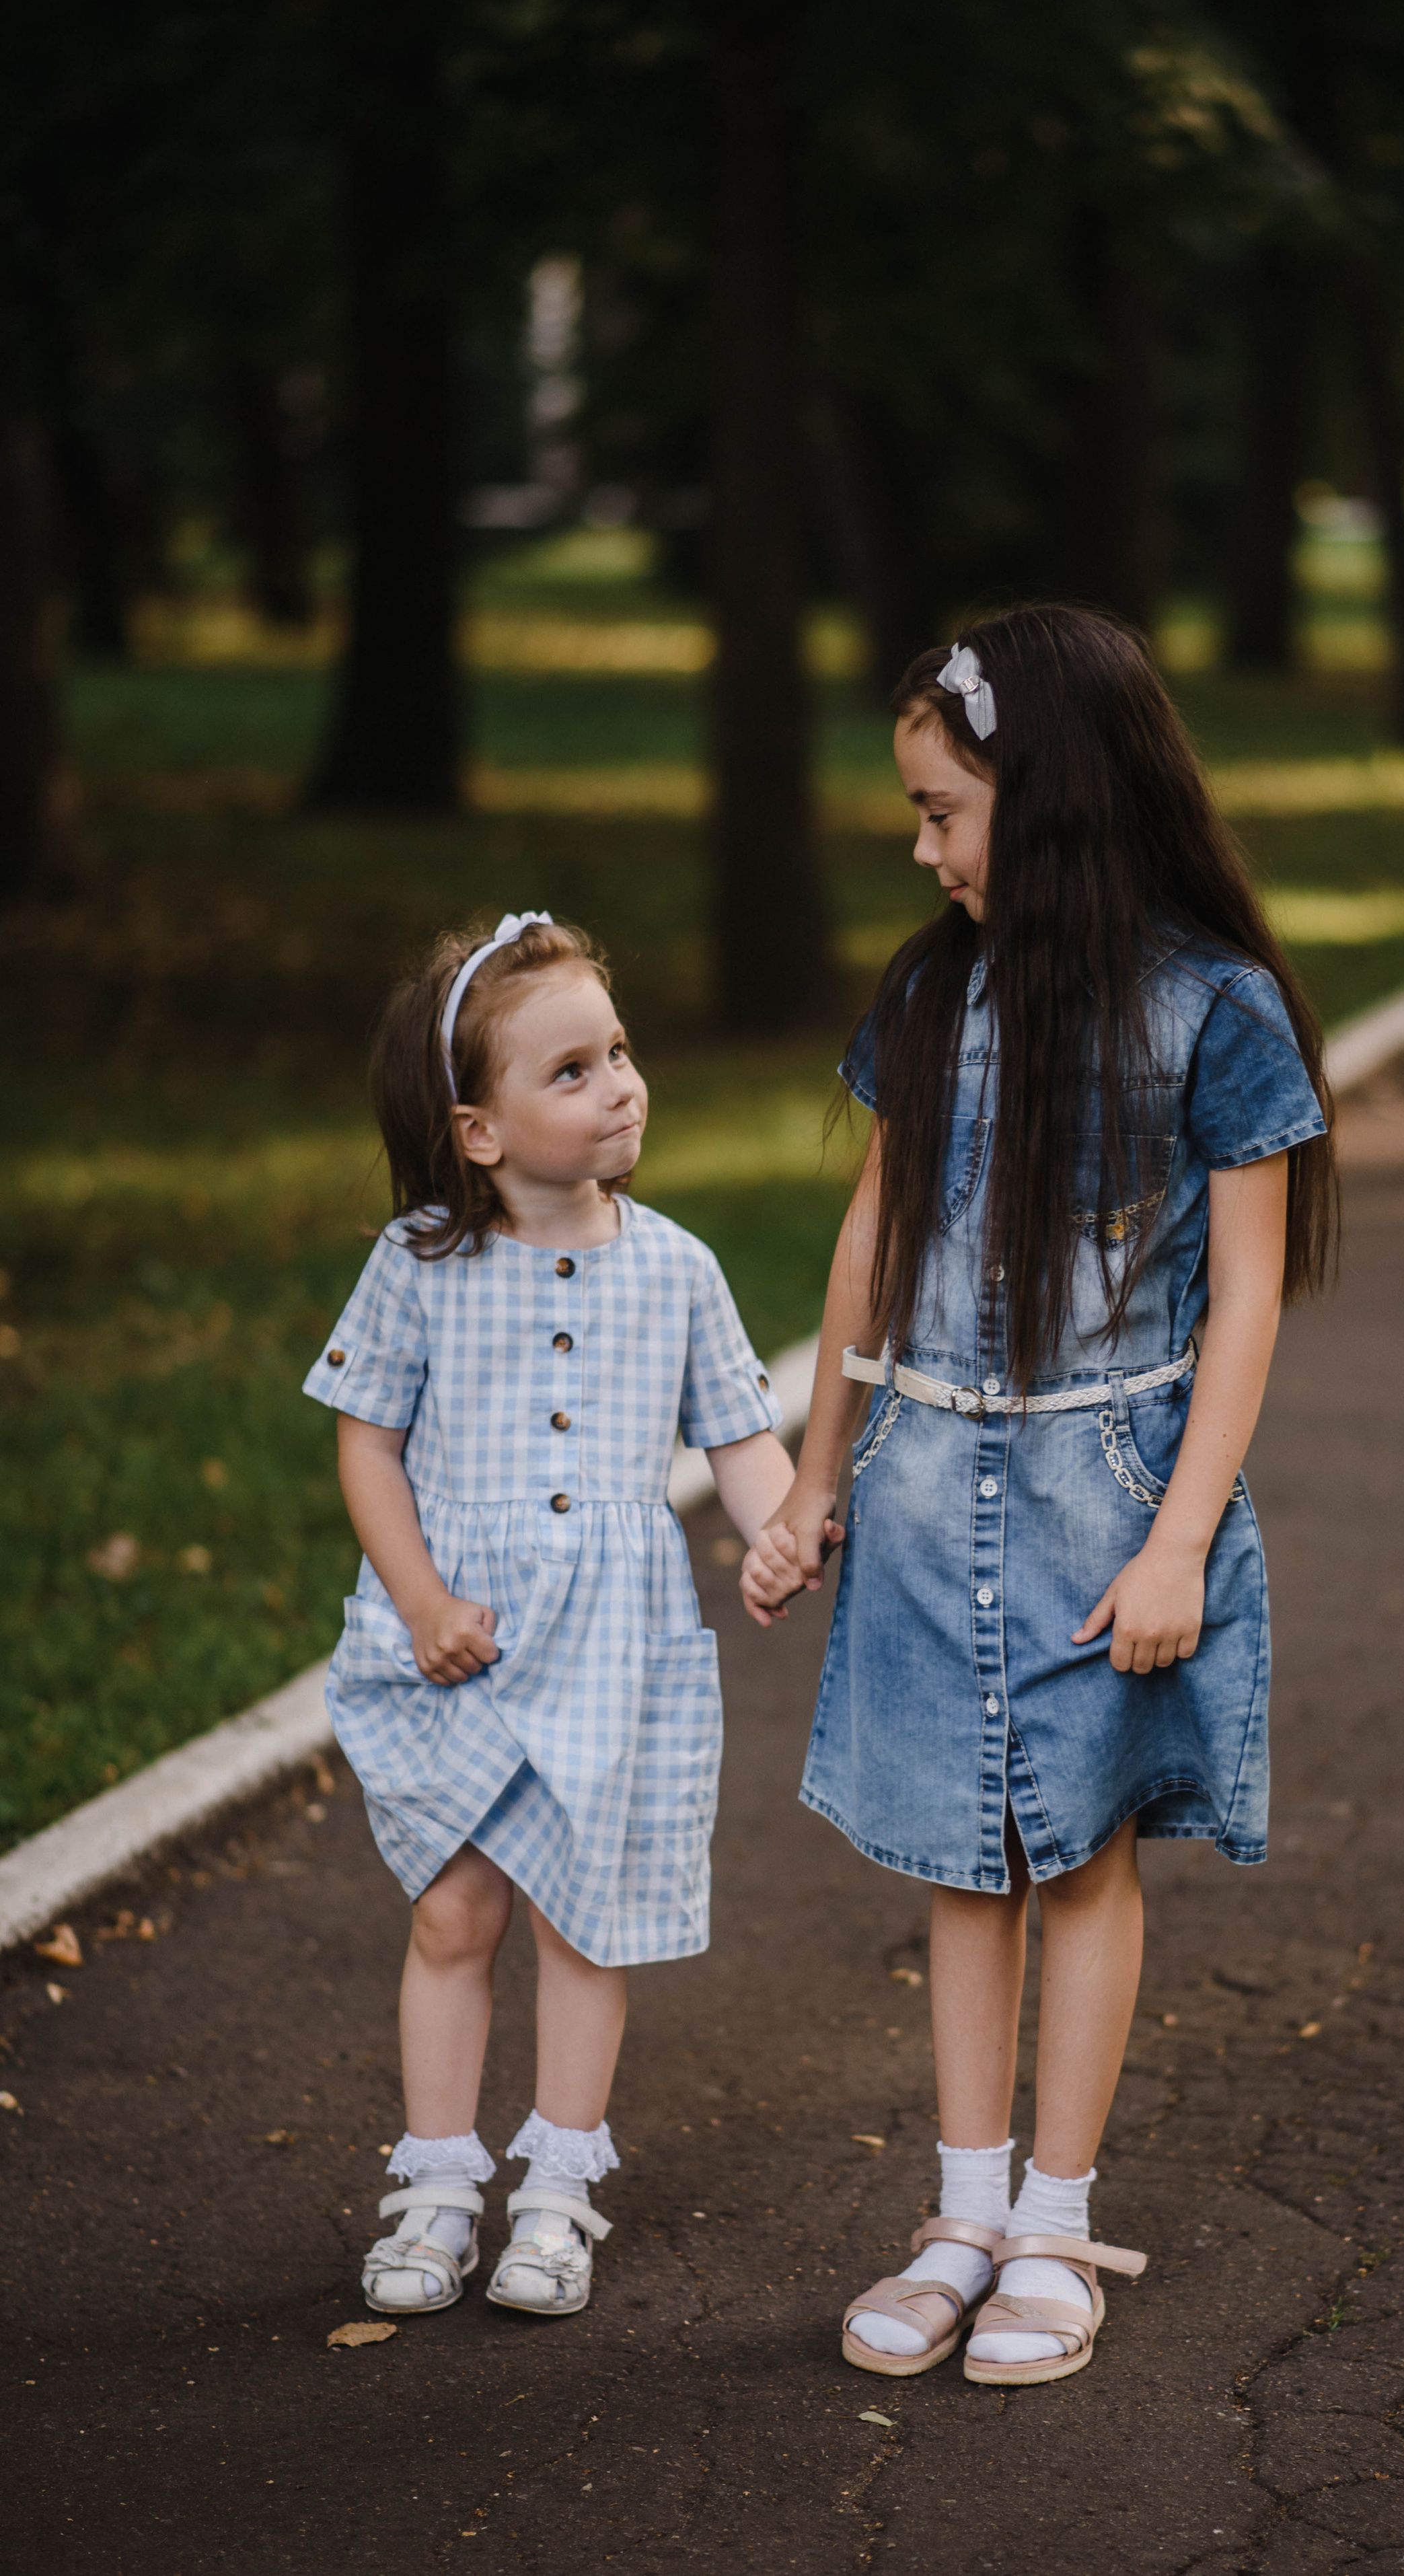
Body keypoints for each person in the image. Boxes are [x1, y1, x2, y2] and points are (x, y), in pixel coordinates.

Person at [743, 606, 1338, 2388]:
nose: (922, 846)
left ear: (1055, 796)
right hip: (923, 1484)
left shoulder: (1212, 1011)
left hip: (1103, 1495)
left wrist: (1177, 1537)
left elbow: (1246, 1300)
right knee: (961, 1855)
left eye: (943, 809)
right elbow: (874, 1235)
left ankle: (1055, 2219)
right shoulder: (935, 988)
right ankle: (961, 2207)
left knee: (1074, 1856)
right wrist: (812, 1478)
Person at [304, 912, 798, 2320]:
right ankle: (439, 2180)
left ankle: (560, 2191)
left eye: (620, 1052)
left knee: (587, 1922)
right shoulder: (418, 1264)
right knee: (457, 1910)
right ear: (478, 1129)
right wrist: (416, 1598)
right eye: (572, 1069)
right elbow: (366, 1443)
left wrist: (776, 1531)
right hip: (463, 1634)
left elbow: (741, 1439)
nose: (621, 1085)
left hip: (615, 1645)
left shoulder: (677, 1268)